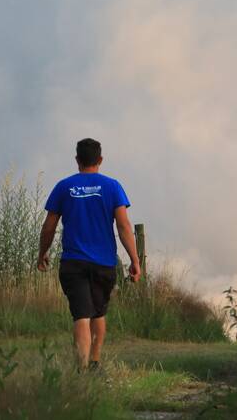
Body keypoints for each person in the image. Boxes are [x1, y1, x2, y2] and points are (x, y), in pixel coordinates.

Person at [37, 138, 142, 371]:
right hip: (104, 263)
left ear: (77, 160)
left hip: (73, 263)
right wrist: (134, 260)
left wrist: (42, 253)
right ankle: (94, 362)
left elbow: (49, 226)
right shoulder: (113, 186)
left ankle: (82, 369)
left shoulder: (64, 187)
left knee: (81, 316)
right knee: (98, 313)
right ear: (100, 160)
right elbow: (124, 226)